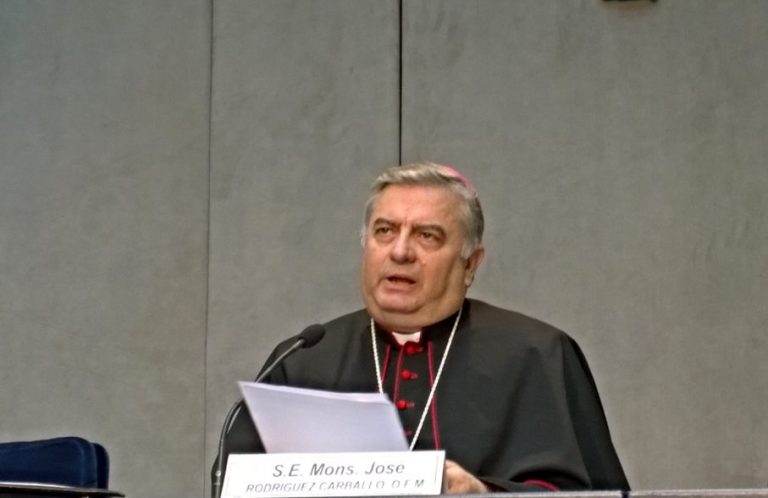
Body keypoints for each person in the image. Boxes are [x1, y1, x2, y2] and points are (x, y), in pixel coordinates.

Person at [218, 162, 629, 493]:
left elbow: (593, 494)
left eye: (427, 236)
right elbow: (234, 483)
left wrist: (484, 494)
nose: (400, 251)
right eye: (384, 231)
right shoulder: (303, 358)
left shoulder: (537, 353)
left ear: (470, 264)